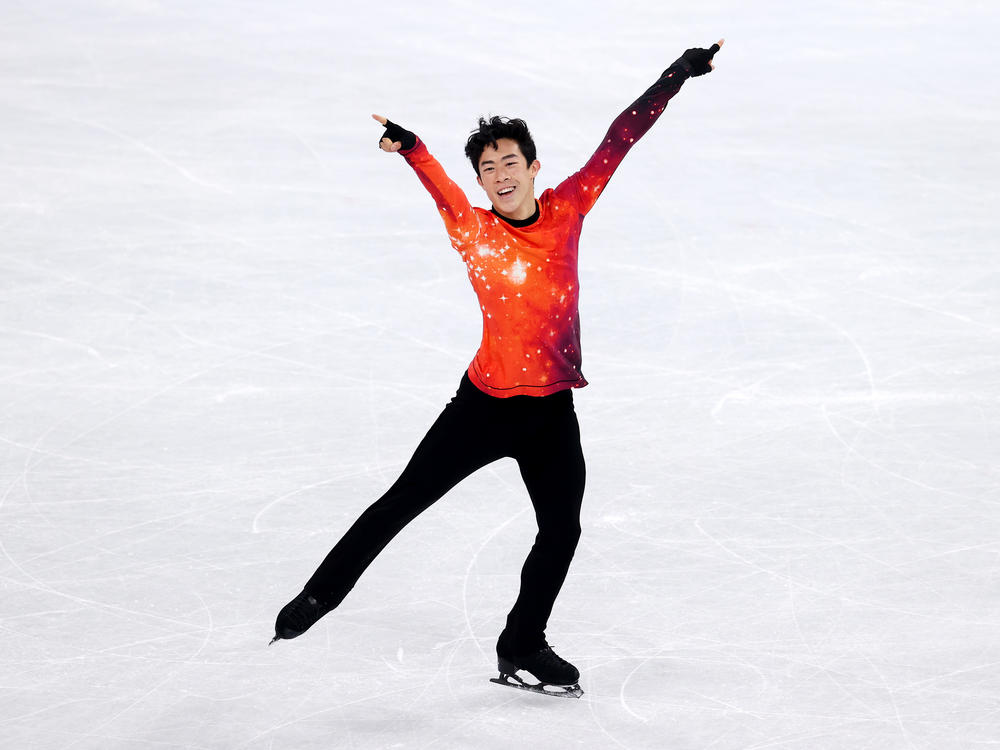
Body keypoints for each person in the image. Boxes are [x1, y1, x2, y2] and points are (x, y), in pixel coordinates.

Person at [272, 39, 724, 695]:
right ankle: (318, 597)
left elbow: (618, 142)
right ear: (482, 183)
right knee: (403, 501)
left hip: (551, 413)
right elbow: (440, 190)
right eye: (488, 167)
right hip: (482, 410)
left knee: (561, 529)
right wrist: (414, 149)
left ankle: (522, 641)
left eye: (510, 160)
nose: (500, 172)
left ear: (535, 166)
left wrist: (675, 75)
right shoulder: (474, 230)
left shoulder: (567, 208)